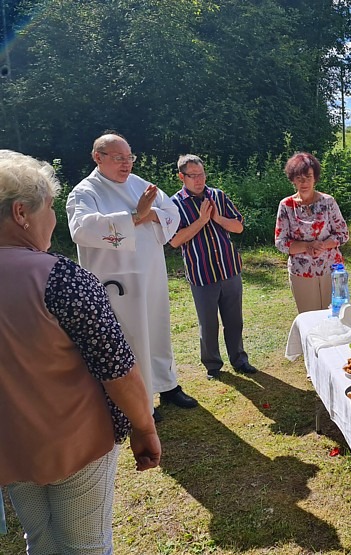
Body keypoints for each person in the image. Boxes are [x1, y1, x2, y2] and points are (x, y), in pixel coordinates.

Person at [0, 150, 161, 553]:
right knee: (85, 545)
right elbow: (119, 371)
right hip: (72, 440)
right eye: (49, 208)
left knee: (39, 540)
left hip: (10, 444)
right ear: (22, 213)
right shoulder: (61, 277)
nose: (53, 220)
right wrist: (144, 427)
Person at [66, 133, 197, 421]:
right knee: (130, 337)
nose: (127, 164)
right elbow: (82, 229)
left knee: (157, 327)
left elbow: (170, 212)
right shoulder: (85, 192)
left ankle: (167, 384)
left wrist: (149, 215)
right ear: (98, 158)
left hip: (150, 271)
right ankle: (140, 401)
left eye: (130, 158)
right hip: (116, 281)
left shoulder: (140, 184)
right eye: (119, 158)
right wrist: (135, 215)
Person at [170, 154, 258, 380]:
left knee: (234, 321)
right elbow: (174, 241)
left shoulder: (218, 195)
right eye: (193, 176)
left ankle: (239, 360)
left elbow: (238, 227)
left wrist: (217, 218)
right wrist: (200, 220)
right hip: (202, 274)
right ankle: (213, 367)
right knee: (208, 325)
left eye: (201, 175)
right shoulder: (174, 204)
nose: (199, 180)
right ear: (182, 176)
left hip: (229, 269)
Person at [275, 152, 349, 313]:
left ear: (315, 177)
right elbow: (280, 242)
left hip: (332, 270)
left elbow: (343, 233)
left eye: (308, 177)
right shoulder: (286, 205)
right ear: (292, 179)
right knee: (310, 320)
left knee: (336, 316)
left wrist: (322, 245)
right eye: (299, 178)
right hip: (301, 273)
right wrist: (307, 246)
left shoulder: (328, 202)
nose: (304, 182)